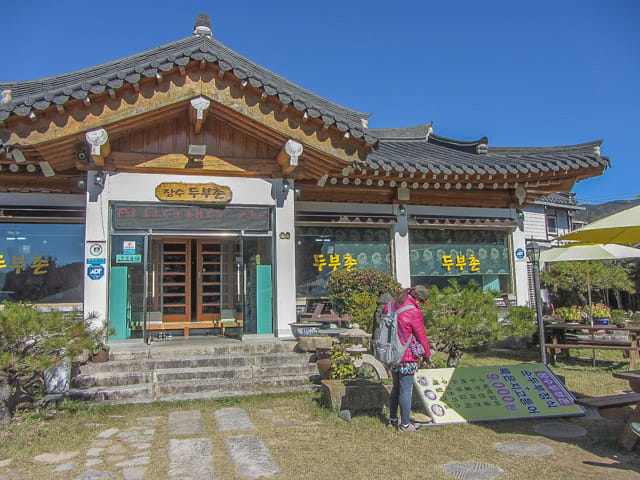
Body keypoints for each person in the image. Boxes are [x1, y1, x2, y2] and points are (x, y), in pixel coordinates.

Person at [385, 285, 432, 432]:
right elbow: (421, 336)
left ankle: (392, 420)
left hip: (392, 354)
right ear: (417, 298)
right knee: (406, 389)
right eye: (422, 302)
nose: (421, 305)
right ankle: (405, 425)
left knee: (396, 387)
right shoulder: (413, 311)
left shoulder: (390, 306)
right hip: (407, 356)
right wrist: (427, 355)